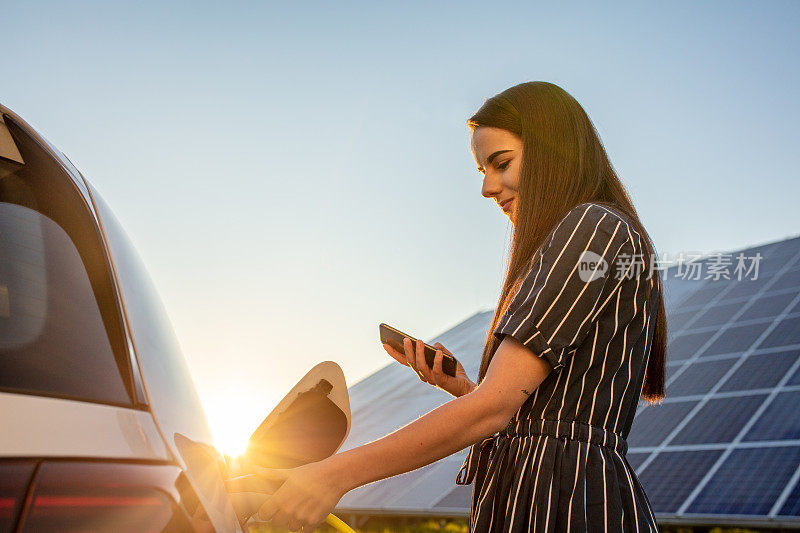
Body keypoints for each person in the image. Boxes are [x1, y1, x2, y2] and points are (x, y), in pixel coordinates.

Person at [234, 81, 667, 532]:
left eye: (501, 164)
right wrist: (464, 390)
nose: (486, 187)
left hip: (565, 503)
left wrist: (332, 475)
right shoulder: (596, 232)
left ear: (556, 152)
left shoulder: (591, 228)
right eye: (482, 169)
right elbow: (532, 410)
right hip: (552, 495)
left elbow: (497, 409)